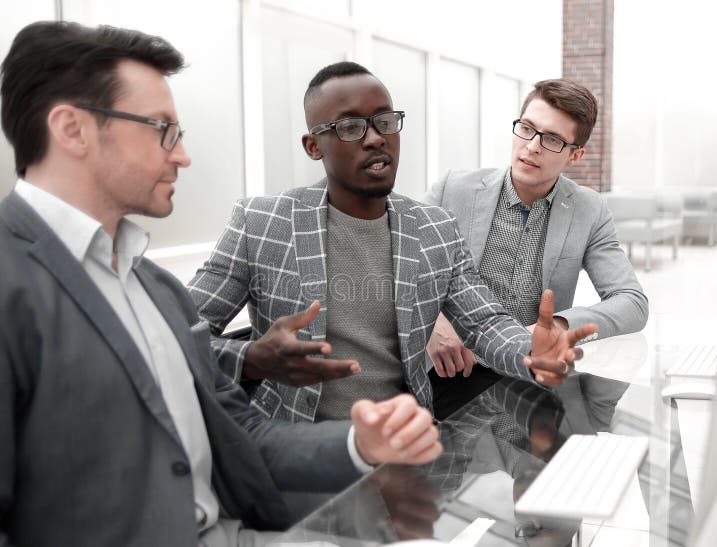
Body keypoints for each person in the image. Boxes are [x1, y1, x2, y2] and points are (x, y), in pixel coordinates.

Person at [0, 21, 443, 547]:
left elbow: (242, 433)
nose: (182, 155)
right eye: (161, 128)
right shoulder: (12, 286)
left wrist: (361, 442)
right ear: (72, 130)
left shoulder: (154, 288)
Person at [188, 62, 597, 424]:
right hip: (296, 451)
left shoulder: (435, 228)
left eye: (385, 121)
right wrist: (250, 360)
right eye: (350, 127)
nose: (374, 139)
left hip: (408, 449)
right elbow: (179, 335)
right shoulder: (260, 222)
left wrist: (530, 353)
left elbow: (484, 324)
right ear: (314, 146)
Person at [423, 78, 648, 421]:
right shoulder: (453, 190)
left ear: (576, 154)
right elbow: (396, 264)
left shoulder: (589, 210)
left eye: (553, 139)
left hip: (532, 383)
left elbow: (632, 302)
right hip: (449, 373)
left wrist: (559, 325)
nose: (532, 146)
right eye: (526, 129)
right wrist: (431, 321)